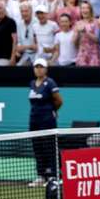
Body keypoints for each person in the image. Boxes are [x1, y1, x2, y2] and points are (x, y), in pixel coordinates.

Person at [27, 58, 63, 187]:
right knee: (38, 147)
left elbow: (59, 101)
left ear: (46, 69)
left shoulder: (50, 83)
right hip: (34, 121)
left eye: (41, 67)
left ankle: (53, 175)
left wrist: (53, 110)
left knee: (50, 147)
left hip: (47, 120)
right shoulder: (32, 83)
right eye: (36, 67)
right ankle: (41, 175)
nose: (38, 69)